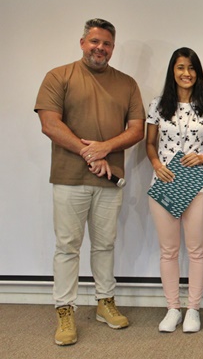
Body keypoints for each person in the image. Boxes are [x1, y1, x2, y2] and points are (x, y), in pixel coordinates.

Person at [34, 18, 145, 346]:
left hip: (110, 180)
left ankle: (104, 302)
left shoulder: (127, 84)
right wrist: (89, 152)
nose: (101, 48)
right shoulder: (59, 76)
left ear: (113, 47)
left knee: (105, 244)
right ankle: (65, 309)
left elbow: (137, 129)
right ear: (83, 42)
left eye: (107, 44)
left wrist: (105, 148)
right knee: (67, 246)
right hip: (69, 179)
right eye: (95, 41)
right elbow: (49, 124)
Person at [146, 47, 203, 333]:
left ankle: (193, 309)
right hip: (166, 182)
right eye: (181, 67)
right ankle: (173, 308)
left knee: (196, 250)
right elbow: (150, 143)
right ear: (172, 71)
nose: (186, 73)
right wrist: (155, 163)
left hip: (198, 184)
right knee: (168, 251)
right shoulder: (158, 104)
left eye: (191, 67)